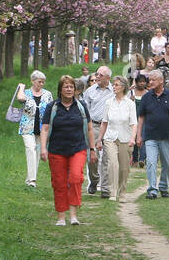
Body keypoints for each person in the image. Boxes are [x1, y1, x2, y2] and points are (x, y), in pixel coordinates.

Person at [39, 75, 94, 226]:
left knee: (76, 178)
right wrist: (43, 148)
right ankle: (61, 217)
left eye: (71, 87)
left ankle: (74, 215)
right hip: (56, 150)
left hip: (78, 148)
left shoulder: (81, 106)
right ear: (60, 90)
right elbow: (45, 129)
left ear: (75, 90)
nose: (69, 89)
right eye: (66, 87)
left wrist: (92, 148)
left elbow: (89, 129)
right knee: (59, 182)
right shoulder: (53, 107)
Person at [137, 69, 169, 198]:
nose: (150, 82)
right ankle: (152, 189)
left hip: (166, 136)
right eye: (149, 80)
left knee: (167, 164)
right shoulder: (146, 97)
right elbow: (141, 118)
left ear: (161, 81)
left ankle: (163, 186)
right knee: (151, 162)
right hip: (150, 136)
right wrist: (139, 135)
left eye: (153, 80)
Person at [97, 77, 137, 200]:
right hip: (110, 137)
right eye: (113, 85)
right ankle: (112, 192)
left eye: (116, 85)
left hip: (125, 138)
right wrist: (99, 139)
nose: (113, 87)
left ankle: (122, 191)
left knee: (124, 168)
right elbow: (104, 122)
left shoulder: (130, 104)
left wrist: (132, 138)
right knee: (112, 164)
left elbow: (134, 123)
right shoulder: (109, 102)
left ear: (123, 87)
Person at [15, 71, 52, 188]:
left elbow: (51, 109)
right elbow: (20, 98)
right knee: (30, 149)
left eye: (43, 82)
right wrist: (21, 87)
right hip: (27, 127)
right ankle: (32, 180)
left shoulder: (47, 94)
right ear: (32, 81)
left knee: (36, 153)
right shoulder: (25, 93)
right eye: (39, 81)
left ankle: (30, 180)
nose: (41, 84)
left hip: (42, 129)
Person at [82, 67, 114, 197]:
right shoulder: (89, 91)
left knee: (107, 158)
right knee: (92, 157)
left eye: (101, 75)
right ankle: (94, 180)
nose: (97, 77)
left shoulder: (115, 91)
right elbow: (85, 112)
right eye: (97, 74)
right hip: (94, 126)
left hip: (110, 127)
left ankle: (105, 188)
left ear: (108, 78)